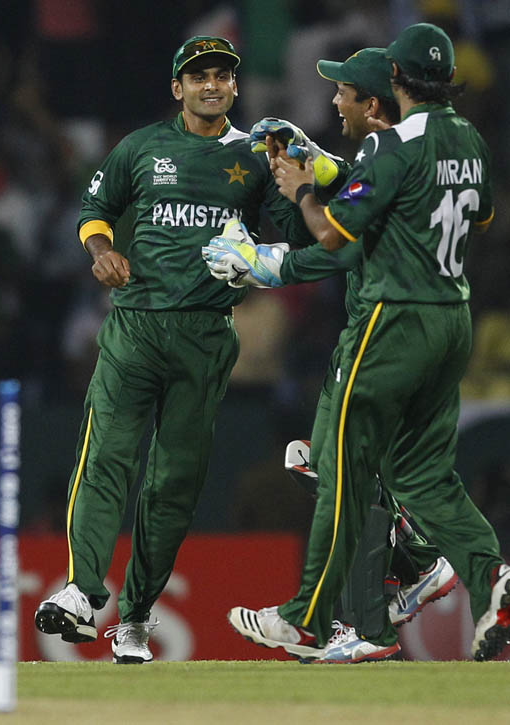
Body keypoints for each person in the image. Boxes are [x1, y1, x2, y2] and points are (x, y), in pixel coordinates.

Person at [221, 23, 509, 662]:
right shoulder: (467, 139)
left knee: (341, 470)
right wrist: (335, 171)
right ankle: (489, 578)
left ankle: (306, 618)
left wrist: (300, 191)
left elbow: (331, 238)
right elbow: (478, 214)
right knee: (417, 474)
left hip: (393, 323)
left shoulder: (392, 146)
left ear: (395, 84)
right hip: (451, 319)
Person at [33, 36, 314, 664]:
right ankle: (82, 590)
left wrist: (298, 175)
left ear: (235, 88)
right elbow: (94, 206)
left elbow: (298, 235)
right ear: (177, 88)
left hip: (206, 335)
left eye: (222, 76)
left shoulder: (252, 154)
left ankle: (133, 618)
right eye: (198, 76)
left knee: (173, 483)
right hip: (133, 325)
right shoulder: (142, 146)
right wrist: (102, 251)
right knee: (106, 454)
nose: (211, 85)